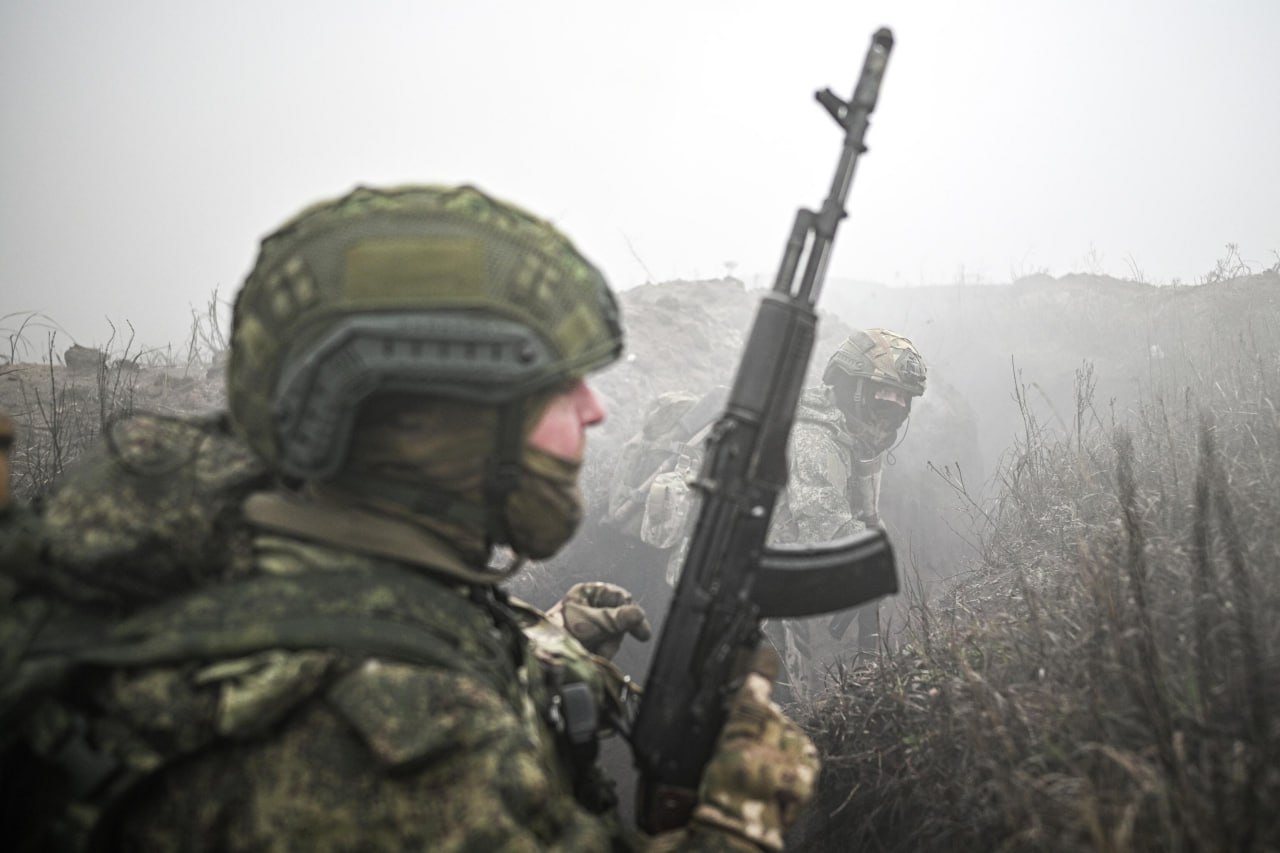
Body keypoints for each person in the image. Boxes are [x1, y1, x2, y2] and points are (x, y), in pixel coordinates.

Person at [0, 184, 817, 851]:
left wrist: (542, 652)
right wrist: (740, 815)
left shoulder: (254, 538)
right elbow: (384, 736)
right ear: (445, 427)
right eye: (554, 389)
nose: (595, 410)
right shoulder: (401, 755)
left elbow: (355, 627)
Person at [609, 328, 927, 700]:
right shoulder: (814, 439)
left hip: (752, 585)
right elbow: (824, 528)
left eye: (903, 399)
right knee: (760, 706)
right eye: (884, 394)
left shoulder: (845, 437)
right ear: (853, 386)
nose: (895, 408)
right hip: (718, 590)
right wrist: (874, 560)